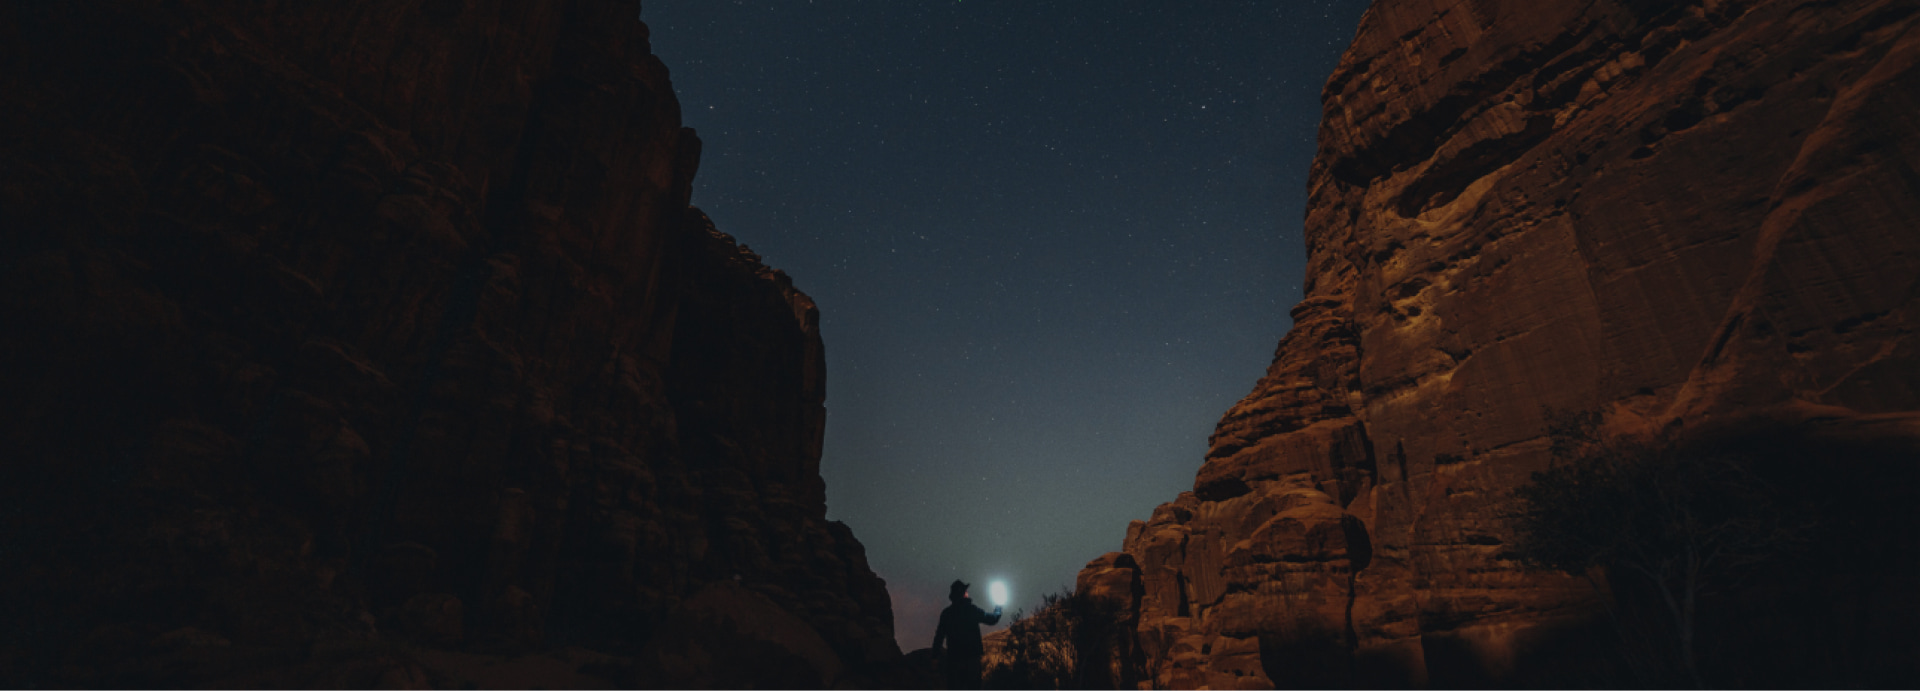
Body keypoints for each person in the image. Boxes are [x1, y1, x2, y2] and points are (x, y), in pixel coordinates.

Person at [931, 579, 1003, 689]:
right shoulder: (972, 610)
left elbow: (939, 637)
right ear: (964, 593)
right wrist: (998, 609)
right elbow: (991, 619)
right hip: (972, 661)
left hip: (953, 662)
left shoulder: (947, 614)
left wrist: (934, 657)